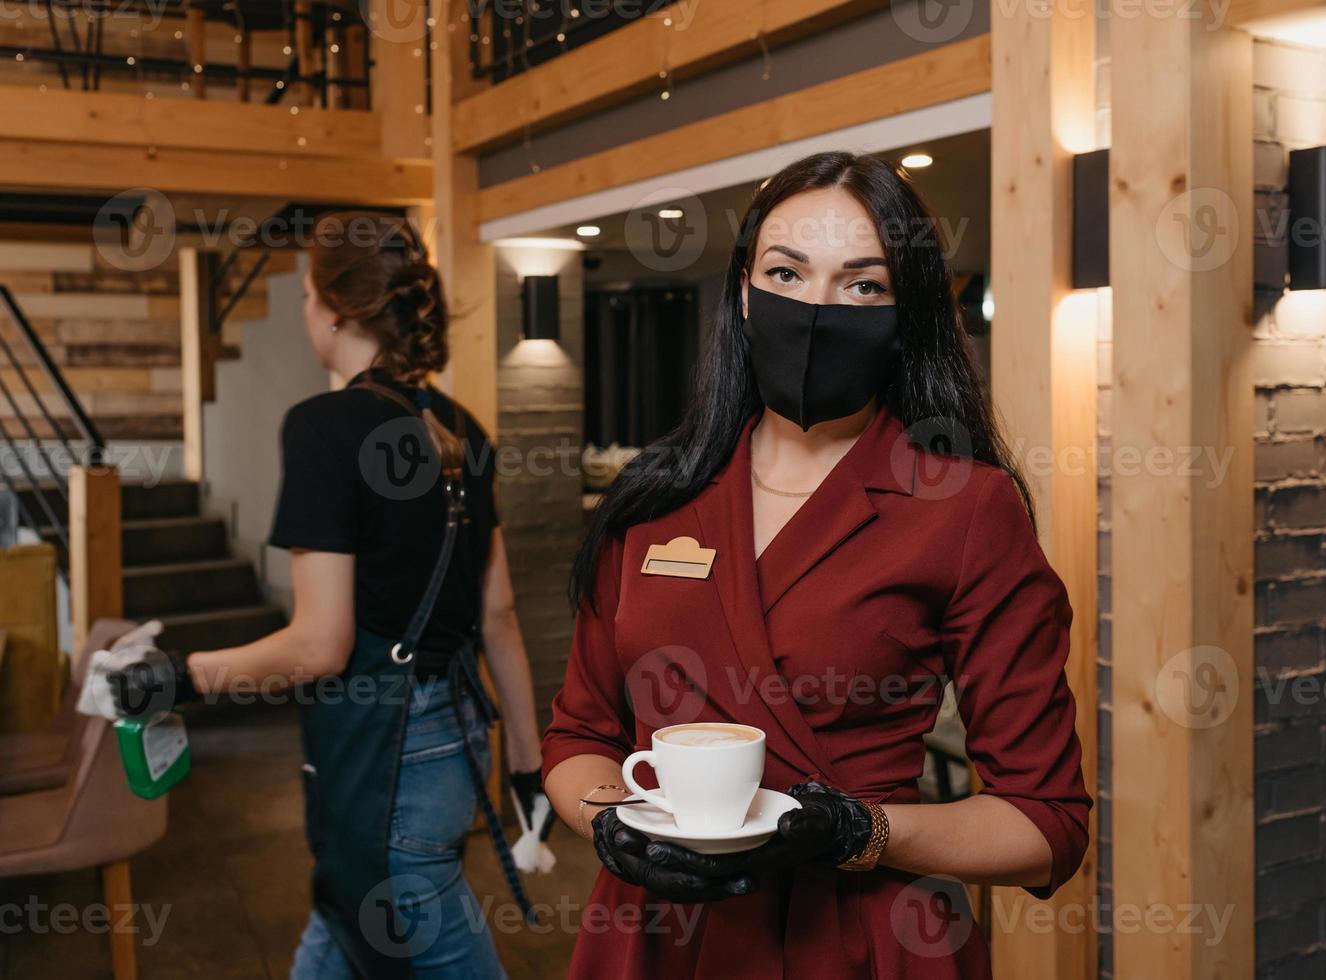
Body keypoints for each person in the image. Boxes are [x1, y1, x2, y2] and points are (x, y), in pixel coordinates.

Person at [540, 152, 1091, 978]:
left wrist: (862, 832)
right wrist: (615, 824)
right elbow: (581, 736)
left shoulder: (965, 507)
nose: (817, 307)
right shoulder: (652, 496)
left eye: (863, 285)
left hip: (857, 940)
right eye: (787, 273)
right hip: (651, 936)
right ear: (743, 294)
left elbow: (1046, 824)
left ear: (905, 315)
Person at [106, 212, 549, 980]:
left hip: (387, 766)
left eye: (309, 294)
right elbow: (499, 615)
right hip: (454, 742)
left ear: (337, 310)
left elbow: (320, 645)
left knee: (413, 932)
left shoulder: (321, 427)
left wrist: (180, 676)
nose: (308, 310)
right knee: (338, 935)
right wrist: (526, 767)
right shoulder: (462, 425)